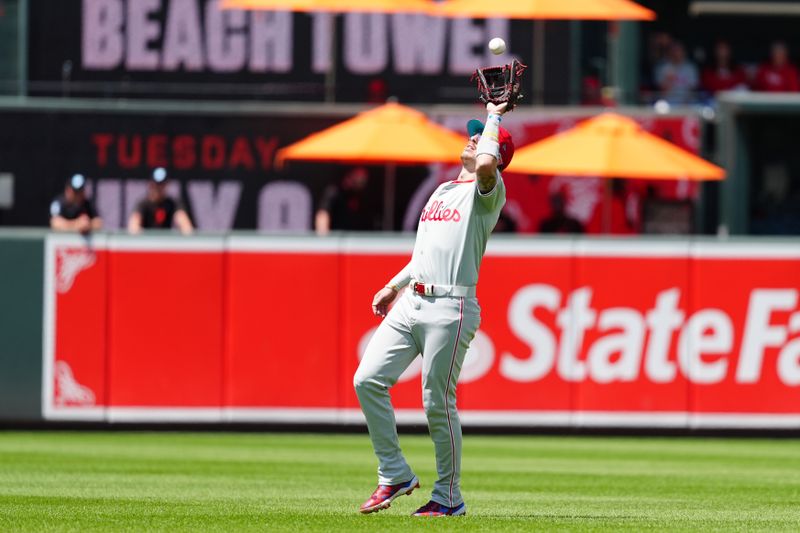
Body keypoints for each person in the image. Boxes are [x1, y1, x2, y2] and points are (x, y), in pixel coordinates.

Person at [353, 102, 511, 517]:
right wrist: (394, 286)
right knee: (367, 379)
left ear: (495, 156)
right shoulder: (443, 190)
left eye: (482, 138)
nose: (473, 138)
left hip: (451, 306)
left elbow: (487, 165)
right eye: (474, 132)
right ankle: (394, 473)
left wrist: (495, 117)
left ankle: (449, 497)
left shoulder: (487, 191)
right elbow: (425, 251)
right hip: (414, 300)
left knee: (435, 401)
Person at [128, 168, 193, 235]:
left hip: (166, 243)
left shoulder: (172, 203)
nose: (158, 188)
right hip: (146, 243)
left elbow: (185, 224)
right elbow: (133, 226)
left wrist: (185, 233)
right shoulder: (143, 204)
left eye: (162, 184)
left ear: (166, 184)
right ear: (150, 184)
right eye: (156, 184)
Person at [315, 167, 379, 235]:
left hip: (360, 239)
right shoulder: (334, 192)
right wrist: (324, 240)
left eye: (364, 177)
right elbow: (323, 214)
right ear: (349, 175)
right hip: (337, 239)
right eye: (360, 176)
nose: (363, 179)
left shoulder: (363, 196)